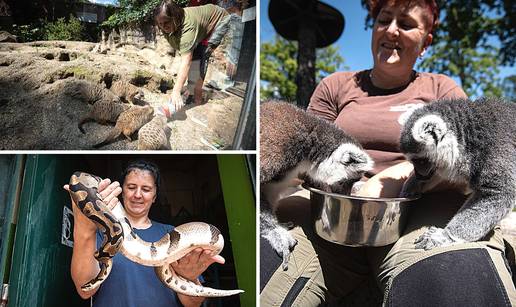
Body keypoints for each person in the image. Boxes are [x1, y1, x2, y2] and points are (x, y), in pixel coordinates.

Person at [260, 0, 516, 306]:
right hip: (332, 213)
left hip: (414, 211)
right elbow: (306, 160)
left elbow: (472, 162)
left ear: (426, 43)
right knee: (267, 267)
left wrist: (395, 179)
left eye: (406, 24)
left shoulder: (441, 90)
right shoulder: (336, 85)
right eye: (383, 20)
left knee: (455, 279)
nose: (391, 30)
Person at [66, 160, 224, 306]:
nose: (137, 195)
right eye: (131, 187)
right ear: (122, 191)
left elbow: (192, 304)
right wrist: (84, 229)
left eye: (146, 189)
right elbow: (84, 291)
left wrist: (189, 277)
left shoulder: (169, 232)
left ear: (154, 196)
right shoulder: (101, 232)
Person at [154, 0, 232, 117]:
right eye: (160, 24)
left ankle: (197, 98)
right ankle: (191, 90)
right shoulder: (167, 25)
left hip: (218, 21)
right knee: (195, 56)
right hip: (201, 24)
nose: (163, 27)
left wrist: (176, 91)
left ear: (175, 18)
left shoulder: (188, 27)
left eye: (166, 23)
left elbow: (186, 60)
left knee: (202, 55)